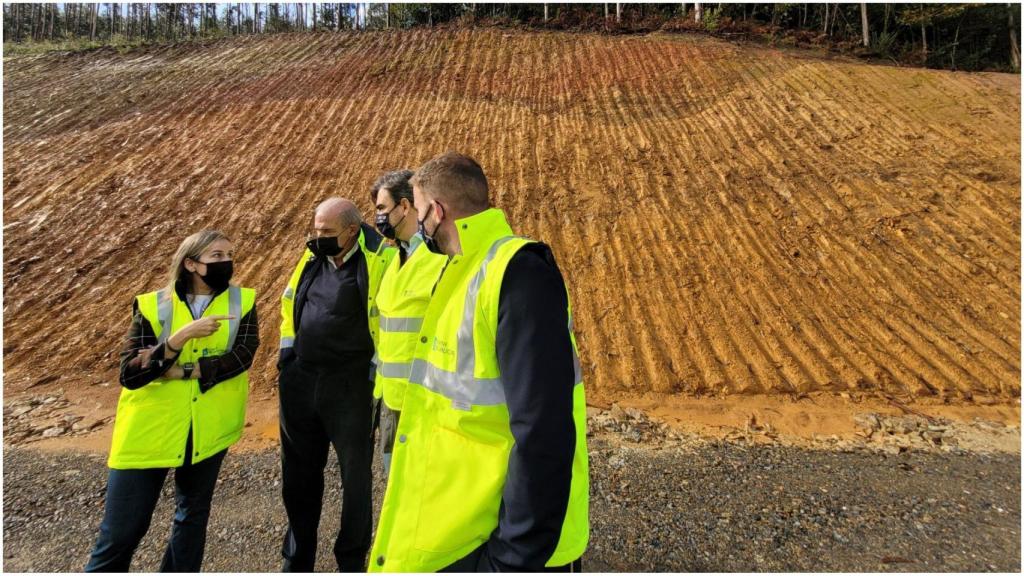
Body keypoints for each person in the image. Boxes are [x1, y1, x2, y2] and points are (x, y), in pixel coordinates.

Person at [369, 152, 590, 572]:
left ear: (436, 211)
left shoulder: (517, 274)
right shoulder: (459, 269)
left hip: (503, 547)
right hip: (464, 528)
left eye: (419, 211)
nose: (418, 225)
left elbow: (544, 433)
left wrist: (512, 557)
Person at [85, 229, 259, 572]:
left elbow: (242, 355)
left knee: (191, 520)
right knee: (122, 532)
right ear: (191, 264)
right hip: (151, 430)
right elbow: (131, 373)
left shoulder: (243, 301)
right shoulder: (155, 305)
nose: (227, 262)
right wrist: (179, 339)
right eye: (217, 256)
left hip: (207, 430)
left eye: (229, 255)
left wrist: (181, 370)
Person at [277, 197, 397, 572]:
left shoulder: (380, 260)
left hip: (350, 386)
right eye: (316, 230)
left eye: (327, 231)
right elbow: (289, 304)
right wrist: (287, 360)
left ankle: (351, 559)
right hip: (302, 381)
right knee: (298, 477)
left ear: (352, 230)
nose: (318, 237)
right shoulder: (312, 257)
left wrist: (374, 374)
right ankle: (297, 559)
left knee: (355, 478)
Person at [370, 169, 449, 477]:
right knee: (396, 482)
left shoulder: (440, 258)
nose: (377, 217)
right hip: (391, 400)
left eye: (381, 208)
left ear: (405, 206)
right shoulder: (394, 260)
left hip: (425, 404)